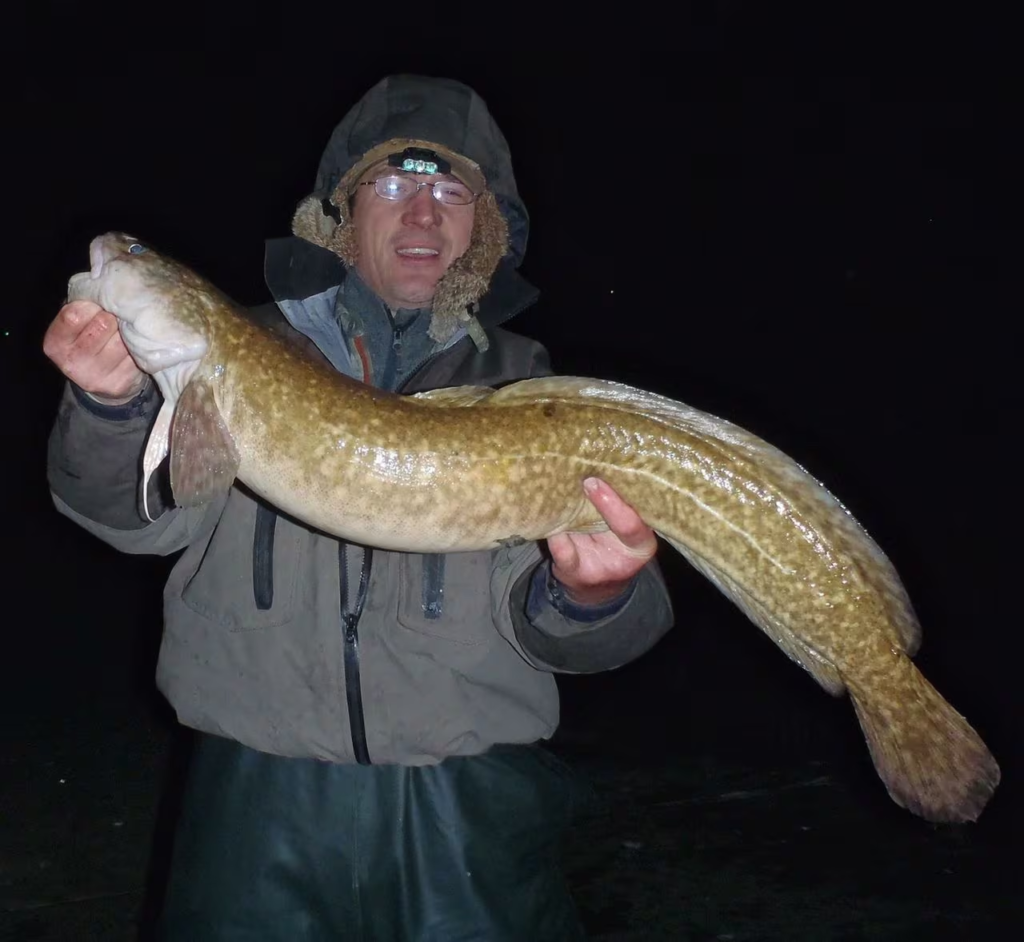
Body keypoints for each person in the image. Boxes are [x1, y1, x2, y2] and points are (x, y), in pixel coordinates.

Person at [44, 74, 675, 940]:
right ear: (342, 215)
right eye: (391, 185)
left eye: (450, 190)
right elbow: (136, 517)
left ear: (483, 231)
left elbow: (574, 635)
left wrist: (592, 595)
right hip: (256, 799)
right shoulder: (245, 354)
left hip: (469, 803)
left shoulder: (530, 394)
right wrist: (112, 408)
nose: (422, 214)